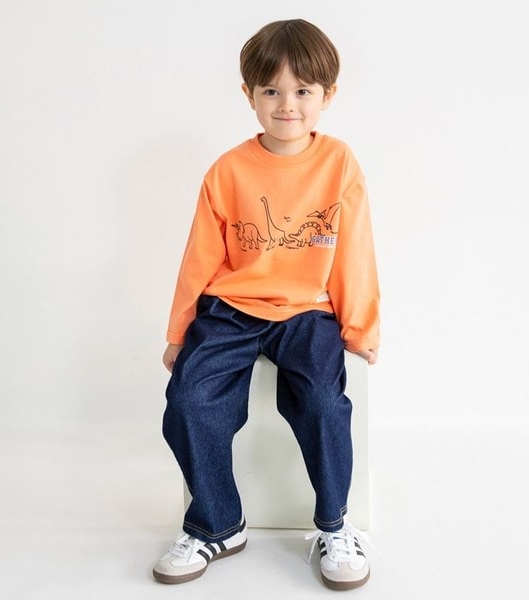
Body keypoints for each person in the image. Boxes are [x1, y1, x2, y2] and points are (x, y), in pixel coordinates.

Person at [153, 18, 380, 591]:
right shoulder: (228, 170)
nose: (287, 105)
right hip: (231, 309)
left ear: (328, 95)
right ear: (248, 94)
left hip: (308, 310)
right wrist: (179, 332)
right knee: (189, 399)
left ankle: (335, 525)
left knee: (323, 403)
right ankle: (217, 524)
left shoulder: (339, 163)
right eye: (272, 91)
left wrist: (360, 327)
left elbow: (355, 249)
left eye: (303, 91)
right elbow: (199, 258)